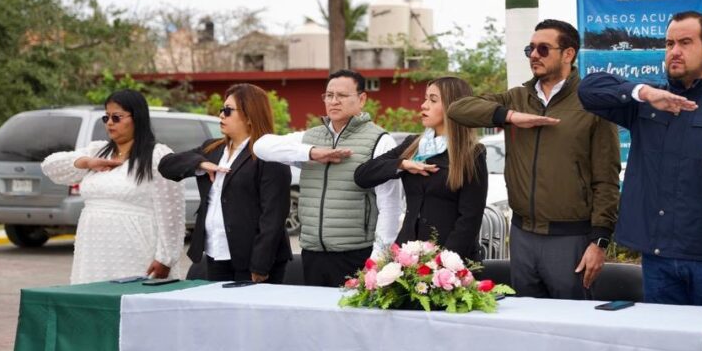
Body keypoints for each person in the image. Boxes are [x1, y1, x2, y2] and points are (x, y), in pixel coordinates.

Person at [579, 11, 702, 307]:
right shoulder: (648, 101)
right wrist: (643, 92)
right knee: (664, 336)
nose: (674, 51)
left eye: (685, 43)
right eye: (669, 44)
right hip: (658, 260)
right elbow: (588, 90)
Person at [447, 19, 620, 299]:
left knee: (570, 320)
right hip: (522, 235)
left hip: (570, 238)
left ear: (568, 54)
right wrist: (511, 117)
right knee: (526, 318)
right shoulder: (517, 98)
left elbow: (607, 179)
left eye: (543, 49)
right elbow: (458, 109)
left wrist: (599, 241)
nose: (534, 55)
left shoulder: (592, 102)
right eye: (531, 49)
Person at [254, 70, 402, 287]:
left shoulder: (380, 141)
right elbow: (261, 146)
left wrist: (377, 260)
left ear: (362, 99)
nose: (333, 101)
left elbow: (390, 207)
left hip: (356, 254)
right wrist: (312, 152)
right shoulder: (310, 138)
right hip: (313, 252)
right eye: (329, 95)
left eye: (341, 95)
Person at [41, 90, 185, 284]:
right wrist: (87, 162)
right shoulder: (98, 151)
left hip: (136, 248)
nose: (109, 123)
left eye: (116, 117)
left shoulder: (157, 155)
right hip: (93, 250)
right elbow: (49, 166)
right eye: (106, 117)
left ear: (137, 118)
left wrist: (165, 258)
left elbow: (172, 212)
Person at [158, 84, 292, 283]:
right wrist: (200, 163)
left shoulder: (269, 154)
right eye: (222, 109)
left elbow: (273, 216)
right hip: (216, 252)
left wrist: (260, 265)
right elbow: (166, 165)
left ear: (249, 115)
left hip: (253, 260)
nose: (221, 115)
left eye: (228, 110)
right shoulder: (213, 149)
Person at [354, 77, 488, 260]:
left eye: (433, 100)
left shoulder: (472, 153)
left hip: (451, 258)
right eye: (425, 99)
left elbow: (470, 218)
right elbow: (362, 175)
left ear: (454, 107)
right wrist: (401, 164)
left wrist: (443, 263)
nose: (424, 105)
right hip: (407, 254)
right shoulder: (413, 145)